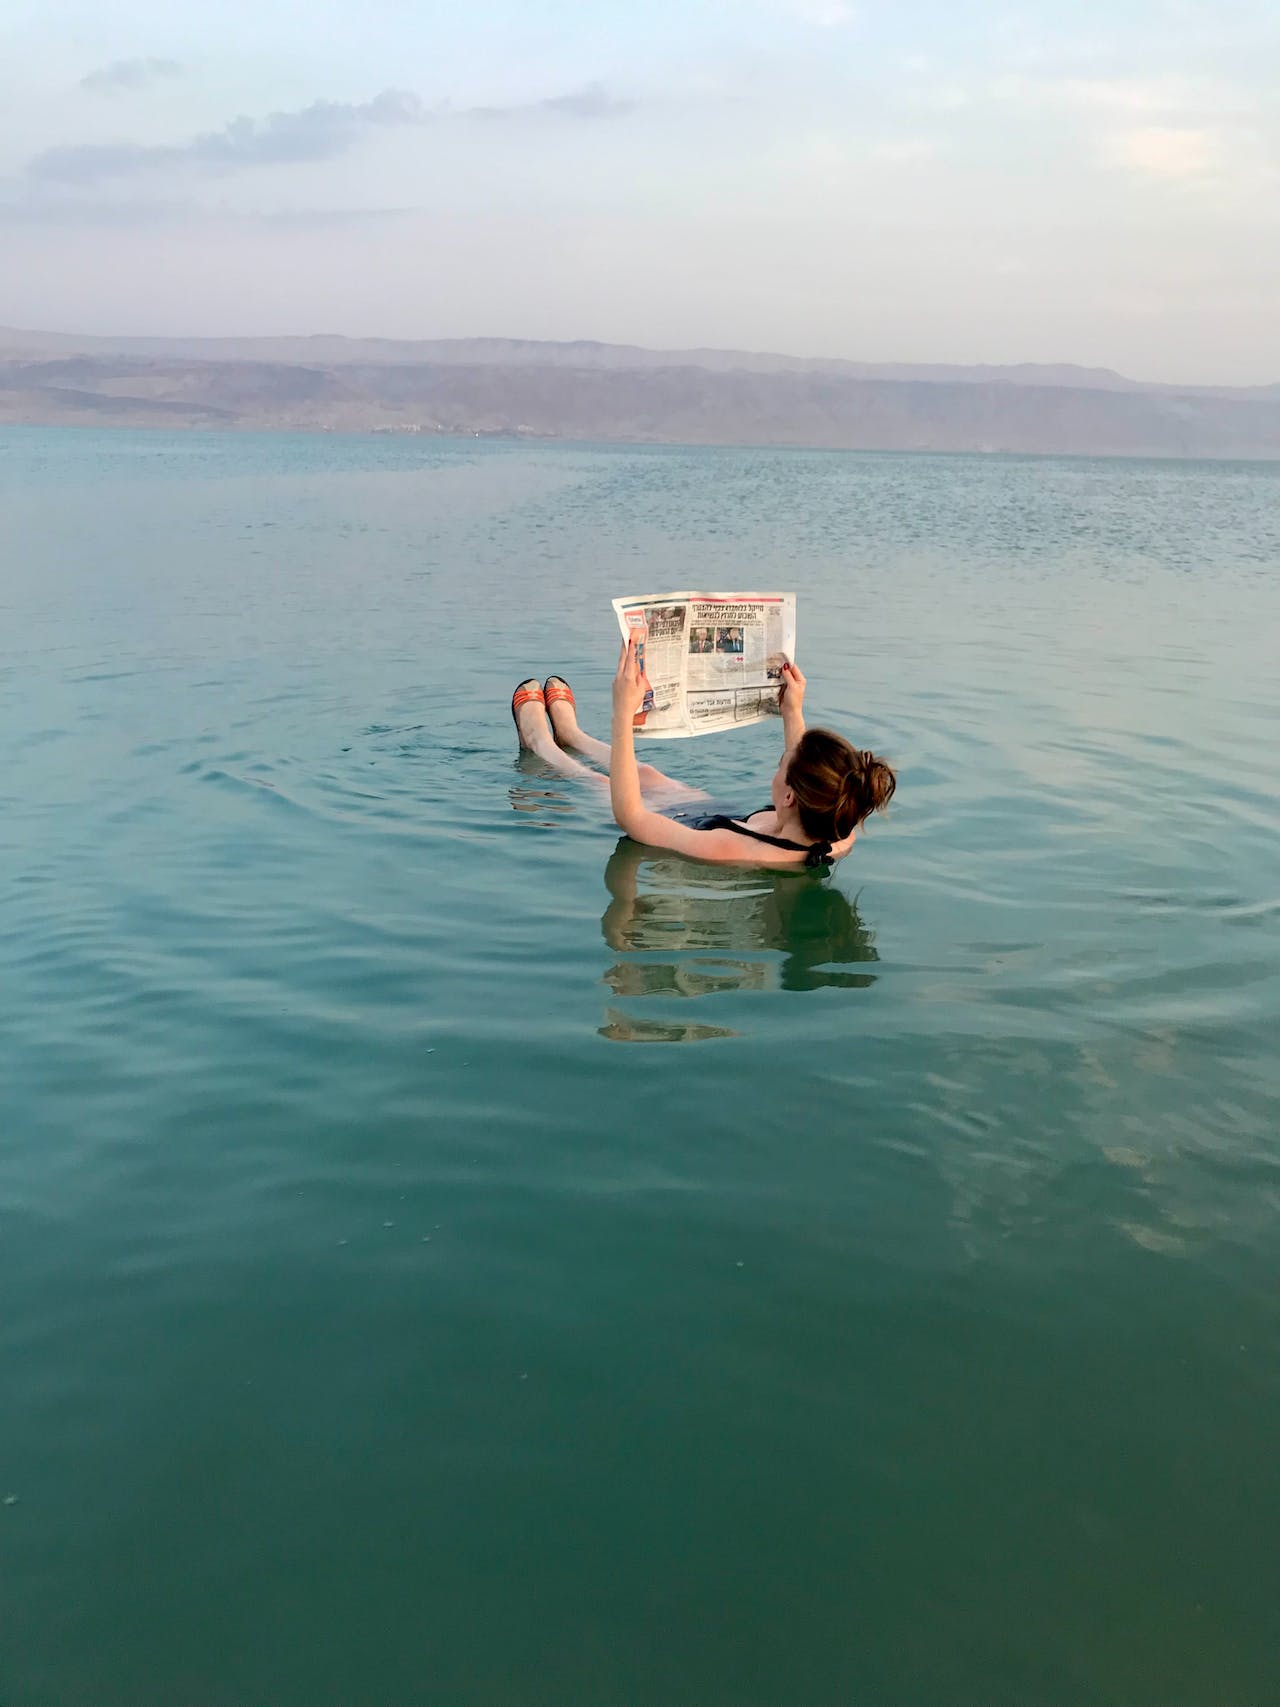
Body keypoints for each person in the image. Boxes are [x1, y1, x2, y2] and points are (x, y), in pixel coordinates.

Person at [511, 645, 896, 867]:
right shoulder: (838, 832)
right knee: (649, 774)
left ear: (791, 795)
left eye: (782, 765)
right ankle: (573, 735)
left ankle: (542, 745)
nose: (778, 763)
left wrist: (623, 715)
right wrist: (792, 710)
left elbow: (631, 817)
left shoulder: (734, 850)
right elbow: (804, 768)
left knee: (601, 782)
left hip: (695, 830)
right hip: (721, 815)